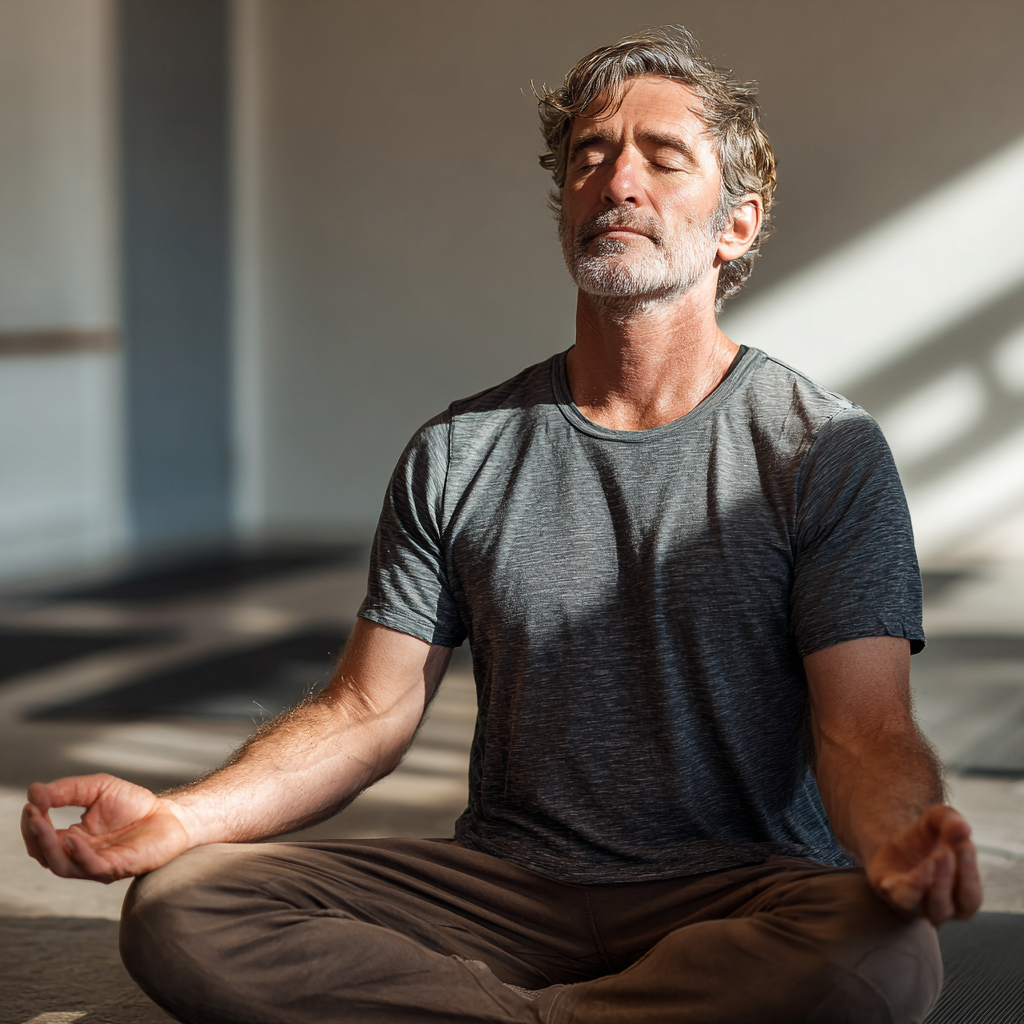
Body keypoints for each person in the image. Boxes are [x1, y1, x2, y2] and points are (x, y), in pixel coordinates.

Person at [21, 26, 980, 1024]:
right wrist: (180, 816)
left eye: (662, 157)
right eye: (590, 157)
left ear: (735, 226)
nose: (617, 181)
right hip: (503, 892)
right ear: (566, 206)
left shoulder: (821, 450)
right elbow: (366, 712)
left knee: (884, 954)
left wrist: (898, 837)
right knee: (182, 904)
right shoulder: (460, 451)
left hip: (742, 890)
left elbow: (863, 727)